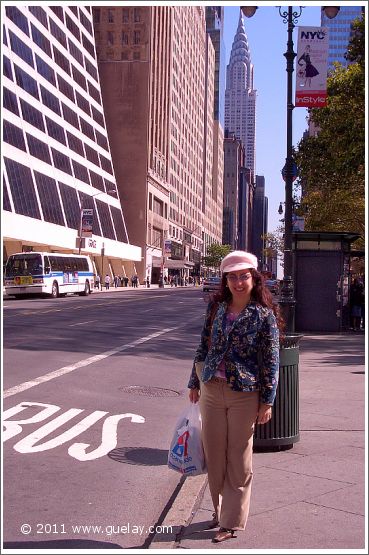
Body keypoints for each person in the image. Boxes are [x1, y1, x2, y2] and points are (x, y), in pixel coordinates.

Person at [188, 250, 282, 543]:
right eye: (233, 277)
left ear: (254, 279)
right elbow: (203, 345)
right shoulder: (216, 309)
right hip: (212, 390)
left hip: (245, 395)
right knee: (214, 455)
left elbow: (271, 360)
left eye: (244, 276)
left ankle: (231, 521)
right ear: (225, 281)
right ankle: (219, 511)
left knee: (238, 459)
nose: (239, 282)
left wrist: (267, 401)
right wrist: (194, 381)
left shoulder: (264, 315)